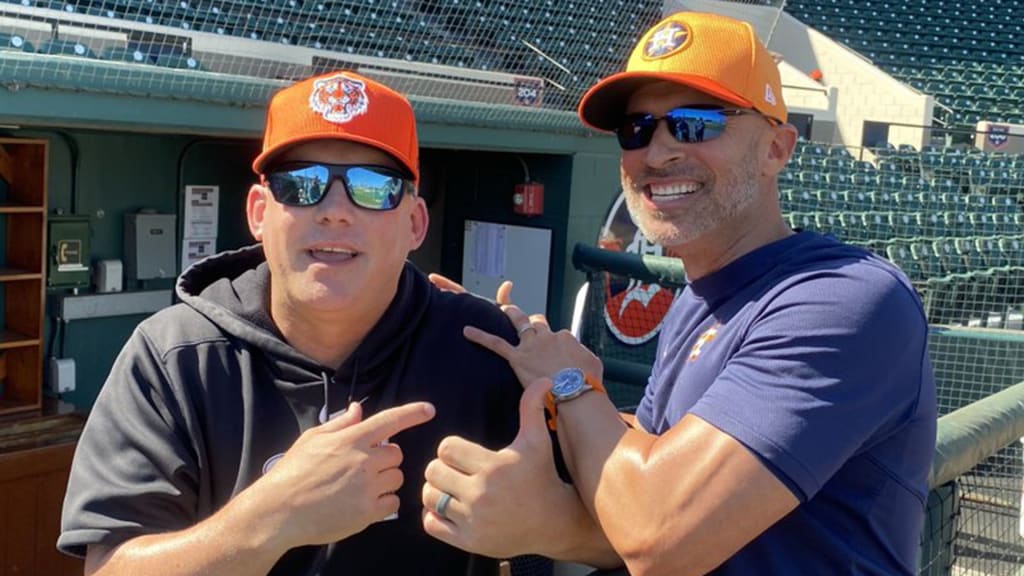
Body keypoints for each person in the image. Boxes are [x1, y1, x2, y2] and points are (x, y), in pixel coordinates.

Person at [420, 11, 937, 576]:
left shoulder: (843, 299)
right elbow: (653, 457)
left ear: (777, 148)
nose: (658, 152)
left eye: (695, 123)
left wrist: (572, 388)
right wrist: (549, 385)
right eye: (636, 129)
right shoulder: (700, 294)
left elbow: (656, 535)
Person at [58, 70, 531, 575]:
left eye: (372, 187)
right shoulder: (173, 357)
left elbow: (613, 539)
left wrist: (573, 399)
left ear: (415, 223)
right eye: (301, 185)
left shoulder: (487, 347)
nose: (333, 211)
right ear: (259, 213)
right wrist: (275, 515)